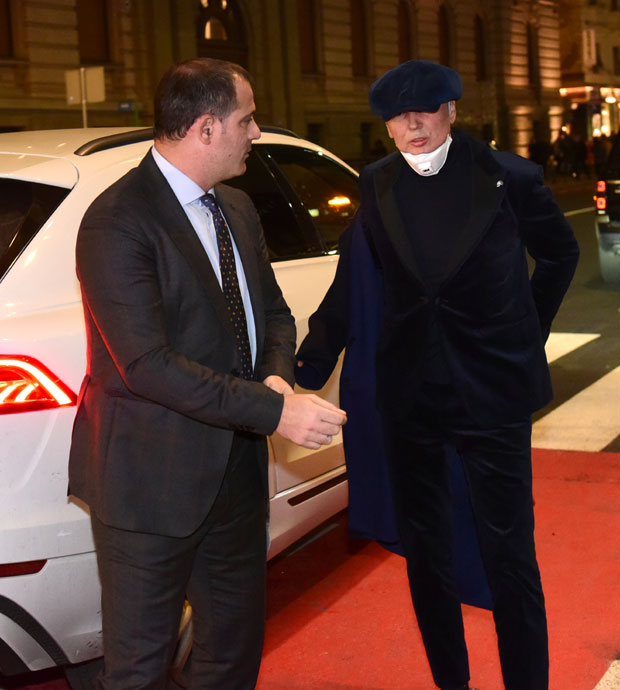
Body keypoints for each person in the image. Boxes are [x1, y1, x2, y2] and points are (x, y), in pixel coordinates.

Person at [296, 59, 579, 690]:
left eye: (424, 110)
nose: (412, 125)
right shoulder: (377, 183)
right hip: (412, 398)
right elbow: (354, 277)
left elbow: (561, 254)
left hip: (493, 395)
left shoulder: (509, 177)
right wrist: (312, 358)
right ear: (386, 126)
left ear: (451, 110)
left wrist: (524, 335)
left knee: (510, 558)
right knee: (427, 558)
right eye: (397, 117)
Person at [68, 57, 346, 690]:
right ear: (206, 128)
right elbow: (147, 366)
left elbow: (273, 314)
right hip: (150, 484)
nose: (256, 132)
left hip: (235, 478)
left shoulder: (238, 208)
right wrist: (277, 412)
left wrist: (275, 377)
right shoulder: (118, 220)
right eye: (247, 120)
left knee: (231, 655)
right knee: (139, 669)